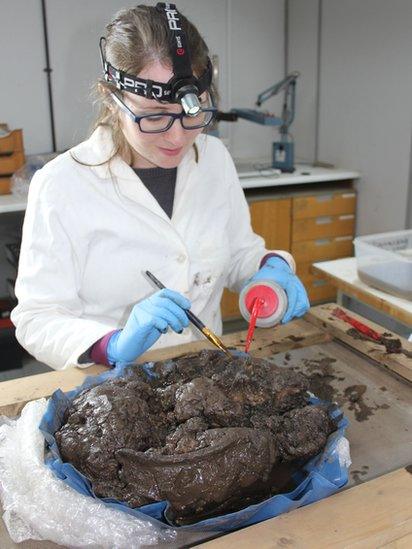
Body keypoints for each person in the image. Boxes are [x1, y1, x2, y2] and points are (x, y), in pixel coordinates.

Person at [11, 3, 309, 371]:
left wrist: (270, 270)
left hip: (205, 385)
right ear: (112, 97)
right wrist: (111, 345)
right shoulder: (62, 184)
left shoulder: (213, 157)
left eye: (194, 113)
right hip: (116, 396)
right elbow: (37, 318)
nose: (178, 137)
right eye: (154, 116)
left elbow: (237, 254)